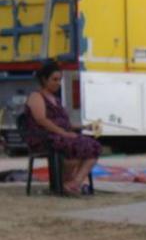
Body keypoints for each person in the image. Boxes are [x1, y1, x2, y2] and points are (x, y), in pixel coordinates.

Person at [20, 59, 101, 196]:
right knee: (71, 145)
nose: (58, 83)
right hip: (43, 137)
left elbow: (66, 124)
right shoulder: (36, 96)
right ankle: (64, 184)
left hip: (59, 134)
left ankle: (73, 183)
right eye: (54, 79)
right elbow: (41, 120)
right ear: (44, 80)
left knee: (93, 145)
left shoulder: (56, 99)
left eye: (59, 80)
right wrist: (64, 133)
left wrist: (84, 126)